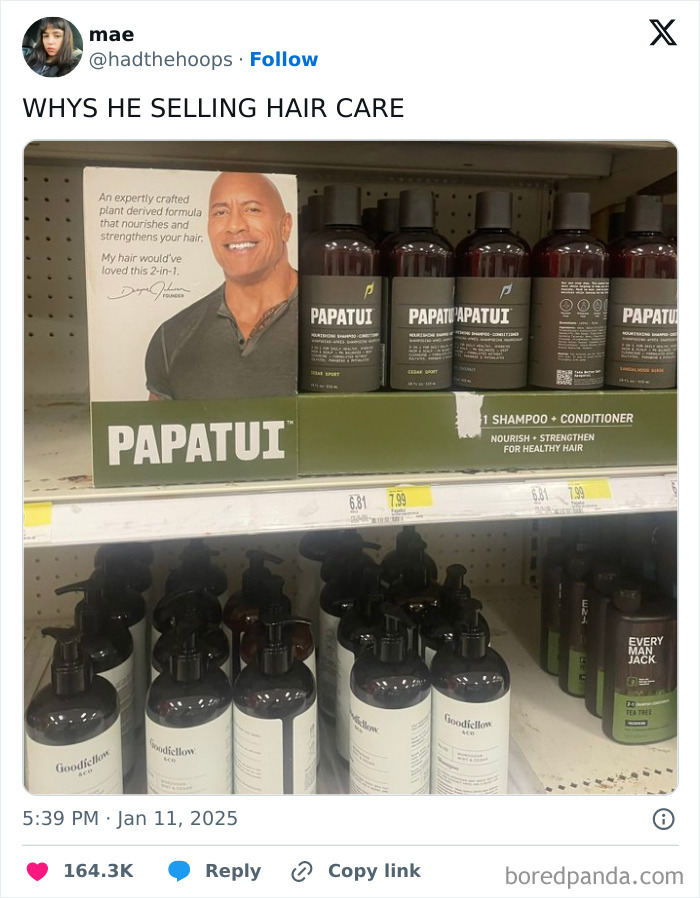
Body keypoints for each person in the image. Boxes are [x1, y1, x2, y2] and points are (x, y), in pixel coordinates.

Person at [145, 172, 298, 400]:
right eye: (220, 213)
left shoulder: (336, 322)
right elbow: (156, 423)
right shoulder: (171, 338)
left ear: (285, 226)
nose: (235, 226)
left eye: (252, 209)